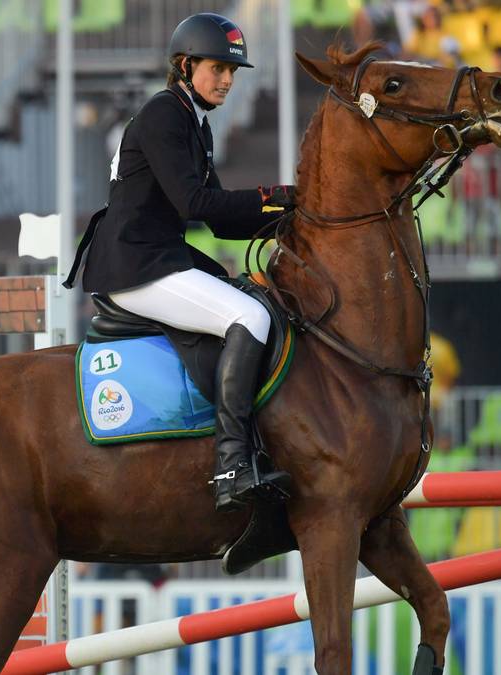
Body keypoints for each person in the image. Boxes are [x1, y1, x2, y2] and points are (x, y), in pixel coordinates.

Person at [64, 13, 296, 512]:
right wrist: (274, 197)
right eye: (219, 69)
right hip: (135, 265)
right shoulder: (165, 115)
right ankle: (232, 463)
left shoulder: (195, 121)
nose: (229, 80)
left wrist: (291, 215)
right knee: (249, 316)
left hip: (157, 256)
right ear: (186, 66)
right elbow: (195, 205)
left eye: (234, 72)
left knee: (251, 300)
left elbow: (219, 223)